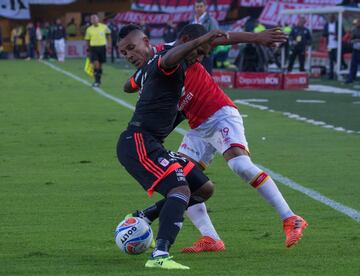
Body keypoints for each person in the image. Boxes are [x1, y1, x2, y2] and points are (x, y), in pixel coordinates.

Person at [122, 24, 308, 251]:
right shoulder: (153, 65)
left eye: (132, 48)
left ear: (146, 42)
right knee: (185, 181)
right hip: (197, 125)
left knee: (239, 164)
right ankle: (211, 238)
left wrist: (257, 37)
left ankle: (290, 218)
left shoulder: (176, 49)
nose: (200, 58)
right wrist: (137, 79)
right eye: (124, 52)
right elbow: (128, 86)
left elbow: (220, 38)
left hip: (218, 113)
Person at [117, 25, 228, 269]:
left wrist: (138, 81)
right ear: (188, 45)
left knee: (204, 188)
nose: (128, 55)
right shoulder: (163, 61)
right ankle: (160, 255)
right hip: (138, 142)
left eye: (130, 49)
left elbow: (127, 86)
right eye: (124, 52)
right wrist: (206, 36)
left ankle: (144, 216)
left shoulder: (149, 67)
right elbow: (170, 57)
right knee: (180, 190)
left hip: (153, 143)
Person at [191, 0, 219, 74]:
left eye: (201, 6)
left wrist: (207, 51)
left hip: (206, 54)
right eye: (197, 6)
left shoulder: (211, 20)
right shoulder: (192, 21)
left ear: (205, 7)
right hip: (193, 54)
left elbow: (215, 37)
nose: (199, 8)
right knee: (194, 77)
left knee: (206, 76)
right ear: (194, 8)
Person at [84, 14, 111, 87]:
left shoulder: (104, 27)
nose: (94, 20)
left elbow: (108, 35)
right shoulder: (89, 29)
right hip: (93, 48)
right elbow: (87, 40)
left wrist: (109, 45)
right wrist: (88, 49)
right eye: (92, 19)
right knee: (96, 64)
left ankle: (98, 80)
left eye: (95, 19)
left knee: (100, 65)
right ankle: (96, 81)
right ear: (91, 21)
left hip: (102, 47)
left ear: (98, 19)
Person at [323, 14, 346, 79]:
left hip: (337, 45)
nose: (330, 18)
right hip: (329, 46)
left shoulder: (338, 24)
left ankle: (341, 73)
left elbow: (343, 33)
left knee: (338, 60)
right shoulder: (326, 25)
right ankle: (331, 75)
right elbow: (324, 34)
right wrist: (328, 33)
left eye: (332, 17)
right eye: (329, 17)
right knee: (331, 60)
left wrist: (337, 36)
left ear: (334, 18)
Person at [345, 19, 360, 84]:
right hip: (355, 50)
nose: (357, 24)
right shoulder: (354, 30)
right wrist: (354, 41)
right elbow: (350, 40)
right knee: (353, 65)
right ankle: (351, 78)